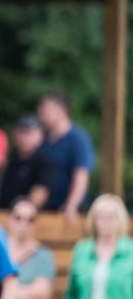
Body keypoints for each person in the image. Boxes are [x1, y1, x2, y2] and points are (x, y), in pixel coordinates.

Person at [37, 91, 95, 221]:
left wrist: (71, 205)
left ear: (62, 110)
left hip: (66, 213)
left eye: (46, 109)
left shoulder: (77, 139)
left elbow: (81, 175)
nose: (41, 113)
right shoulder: (41, 139)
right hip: (42, 211)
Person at [0, 116, 52, 210]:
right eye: (20, 132)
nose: (24, 138)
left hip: (26, 217)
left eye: (28, 133)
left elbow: (39, 194)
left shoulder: (43, 162)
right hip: (3, 212)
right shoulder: (10, 159)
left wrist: (23, 213)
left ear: (40, 136)